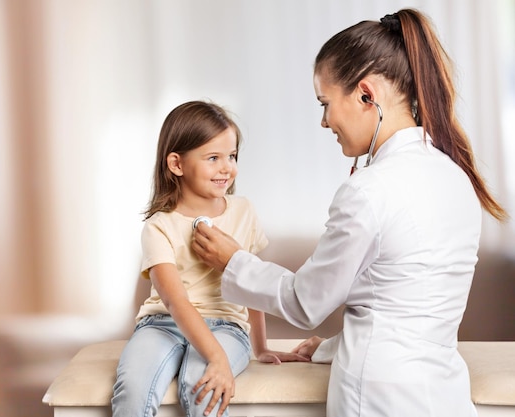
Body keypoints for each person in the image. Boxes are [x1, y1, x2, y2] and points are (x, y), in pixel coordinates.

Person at [192, 9, 509, 417]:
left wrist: (233, 261)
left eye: (325, 103)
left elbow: (306, 303)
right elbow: (405, 302)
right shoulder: (455, 177)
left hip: (376, 395)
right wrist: (329, 346)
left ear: (365, 94)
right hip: (443, 394)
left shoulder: (368, 190)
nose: (324, 122)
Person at [111, 100, 306, 417]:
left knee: (201, 387)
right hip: (161, 324)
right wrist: (216, 356)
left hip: (226, 327)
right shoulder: (158, 227)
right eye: (213, 158)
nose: (227, 167)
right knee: (132, 390)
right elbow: (176, 302)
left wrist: (260, 346)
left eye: (232, 156)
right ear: (176, 164)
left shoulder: (244, 211)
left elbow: (251, 282)